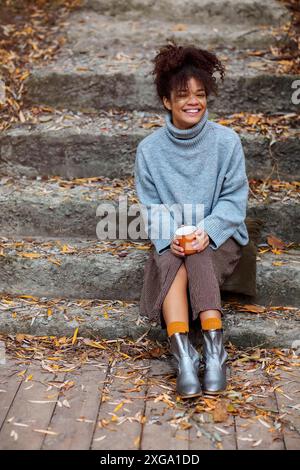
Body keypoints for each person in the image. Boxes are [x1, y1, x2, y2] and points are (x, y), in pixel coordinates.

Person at [134, 42, 249, 398]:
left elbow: (234, 200)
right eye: (183, 95)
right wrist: (173, 236)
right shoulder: (149, 150)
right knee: (172, 257)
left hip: (221, 237)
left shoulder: (227, 143)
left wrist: (207, 232)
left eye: (200, 94)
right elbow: (151, 207)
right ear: (167, 102)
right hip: (173, 234)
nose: (193, 101)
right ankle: (184, 355)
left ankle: (214, 352)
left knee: (197, 252)